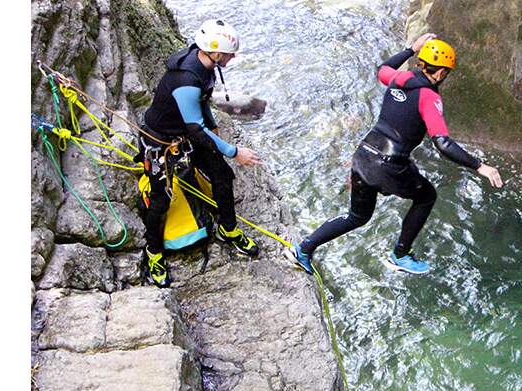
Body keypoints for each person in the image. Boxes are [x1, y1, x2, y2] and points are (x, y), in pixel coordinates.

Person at [287, 32, 503, 277]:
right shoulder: (429, 97)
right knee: (426, 196)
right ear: (442, 73)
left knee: (357, 216)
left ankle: (303, 249)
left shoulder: (400, 78)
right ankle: (400, 254)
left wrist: (411, 48)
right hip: (388, 165)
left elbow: (382, 69)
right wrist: (480, 166)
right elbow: (443, 143)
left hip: (364, 154)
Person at [138, 18, 262, 287]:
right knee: (161, 199)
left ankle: (228, 229)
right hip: (159, 141)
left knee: (222, 176)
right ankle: (154, 252)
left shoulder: (204, 66)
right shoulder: (186, 78)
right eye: (229, 54)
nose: (231, 57)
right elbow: (195, 127)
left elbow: (202, 105)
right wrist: (233, 150)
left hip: (184, 135)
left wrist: (215, 126)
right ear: (216, 53)